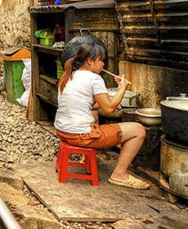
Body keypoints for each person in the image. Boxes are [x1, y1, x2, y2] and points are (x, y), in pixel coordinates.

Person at [54, 42, 149, 190]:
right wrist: (122, 88)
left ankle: (88, 159)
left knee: (94, 115)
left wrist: (110, 102)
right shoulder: (94, 79)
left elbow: (86, 104)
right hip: (81, 136)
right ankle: (119, 174)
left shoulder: (70, 74)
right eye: (101, 60)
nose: (103, 64)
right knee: (138, 130)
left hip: (62, 131)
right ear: (90, 61)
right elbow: (109, 109)